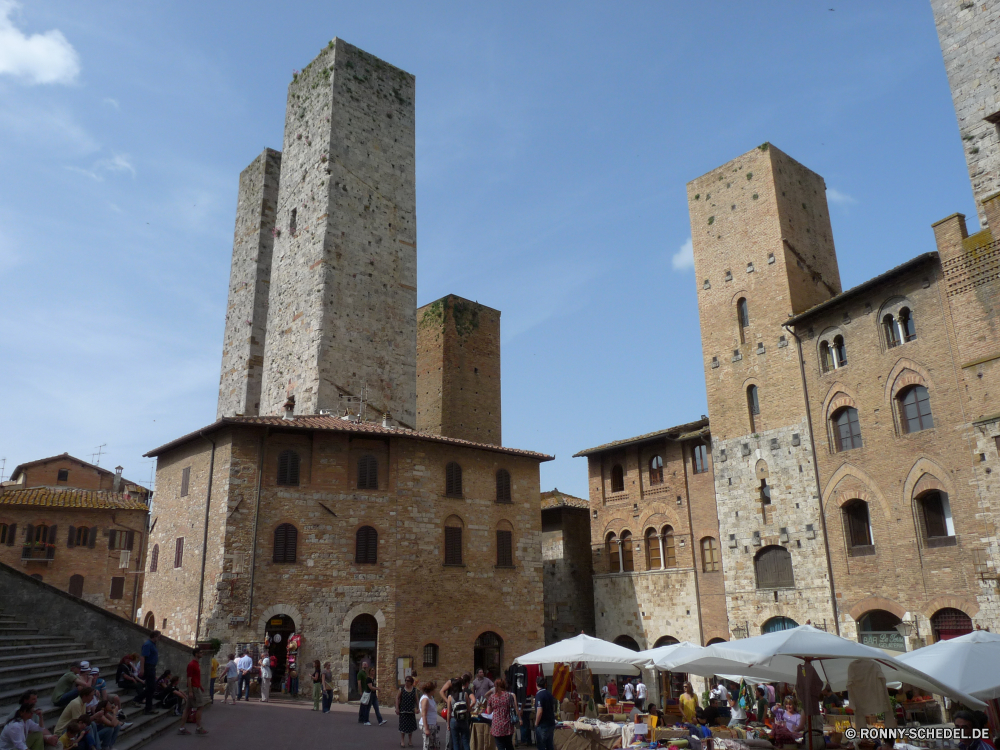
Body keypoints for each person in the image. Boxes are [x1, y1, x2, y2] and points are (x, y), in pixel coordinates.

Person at [177, 647, 208, 736]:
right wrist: (190, 691)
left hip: (196, 687)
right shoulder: (192, 664)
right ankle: (198, 728)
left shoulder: (197, 664)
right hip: (194, 688)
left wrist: (200, 686)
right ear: (196, 654)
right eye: (200, 652)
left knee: (188, 708)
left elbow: (196, 677)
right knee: (200, 707)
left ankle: (182, 728)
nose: (202, 654)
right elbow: (189, 678)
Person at [485, 677, 516, 750]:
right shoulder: (509, 696)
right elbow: (513, 707)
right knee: (509, 744)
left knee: (500, 745)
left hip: (497, 725)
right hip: (508, 723)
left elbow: (489, 711)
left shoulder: (492, 697)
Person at [443, 673, 473, 750]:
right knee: (465, 741)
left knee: (455, 742)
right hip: (464, 720)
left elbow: (449, 712)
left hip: (454, 719)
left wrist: (448, 724)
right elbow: (468, 709)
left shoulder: (450, 697)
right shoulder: (465, 694)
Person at [138, 631, 161, 715]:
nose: (159, 638)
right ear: (154, 636)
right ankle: (140, 701)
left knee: (151, 688)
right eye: (158, 636)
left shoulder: (153, 644)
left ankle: (147, 707)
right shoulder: (147, 644)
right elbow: (143, 657)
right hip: (148, 667)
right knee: (151, 687)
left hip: (152, 667)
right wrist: (142, 669)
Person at [358, 660, 387, 726]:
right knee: (367, 708)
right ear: (370, 671)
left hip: (373, 695)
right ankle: (366, 721)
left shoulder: (373, 678)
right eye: (372, 670)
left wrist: (376, 688)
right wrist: (378, 688)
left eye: (374, 670)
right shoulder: (368, 679)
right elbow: (370, 687)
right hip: (370, 694)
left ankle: (380, 721)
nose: (373, 672)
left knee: (376, 708)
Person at [534, 675, 557, 750]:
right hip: (551, 723)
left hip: (543, 725)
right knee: (550, 745)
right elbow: (553, 708)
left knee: (541, 746)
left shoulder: (539, 695)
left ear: (536, 684)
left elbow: (539, 711)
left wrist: (536, 723)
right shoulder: (549, 694)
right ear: (545, 684)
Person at [396, 675, 418, 747]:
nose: (406, 682)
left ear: (411, 682)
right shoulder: (402, 689)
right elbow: (397, 698)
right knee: (403, 727)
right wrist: (397, 708)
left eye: (408, 681)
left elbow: (416, 700)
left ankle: (410, 741)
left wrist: (418, 708)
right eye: (405, 680)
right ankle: (402, 741)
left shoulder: (414, 690)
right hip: (403, 710)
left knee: (410, 727)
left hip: (411, 711)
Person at [419, 682, 439, 750]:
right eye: (434, 689)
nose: (435, 691)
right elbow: (424, 714)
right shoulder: (425, 699)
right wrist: (426, 728)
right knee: (428, 745)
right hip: (428, 725)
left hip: (433, 724)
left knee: (435, 745)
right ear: (430, 690)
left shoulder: (431, 698)